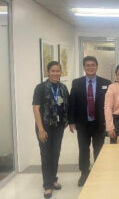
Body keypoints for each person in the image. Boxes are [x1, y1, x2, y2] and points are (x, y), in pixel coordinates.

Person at [68, 56, 111, 187]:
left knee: (99, 149)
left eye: (93, 65)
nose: (90, 67)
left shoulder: (106, 82)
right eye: (88, 65)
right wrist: (71, 121)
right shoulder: (77, 82)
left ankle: (99, 172)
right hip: (82, 123)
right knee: (83, 149)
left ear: (97, 67)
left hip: (99, 123)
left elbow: (110, 103)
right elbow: (72, 103)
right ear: (84, 67)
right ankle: (84, 173)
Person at [32, 61, 69, 199]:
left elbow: (65, 104)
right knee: (46, 155)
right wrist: (41, 129)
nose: (55, 73)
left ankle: (53, 179)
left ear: (61, 72)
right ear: (48, 72)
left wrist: (65, 121)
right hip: (45, 127)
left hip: (58, 127)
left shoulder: (63, 88)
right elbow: (36, 107)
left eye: (58, 71)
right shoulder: (40, 88)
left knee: (56, 153)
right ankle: (47, 185)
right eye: (53, 71)